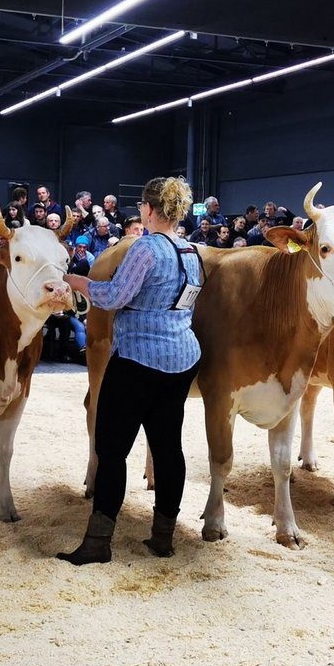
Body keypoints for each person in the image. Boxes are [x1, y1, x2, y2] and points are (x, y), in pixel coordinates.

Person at [57, 176, 203, 566]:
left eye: (142, 206)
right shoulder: (191, 252)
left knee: (111, 449)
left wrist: (80, 282)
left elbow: (113, 296)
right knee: (169, 447)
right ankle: (162, 538)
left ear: (150, 209)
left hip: (139, 358)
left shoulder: (146, 248)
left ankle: (97, 543)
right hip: (181, 357)